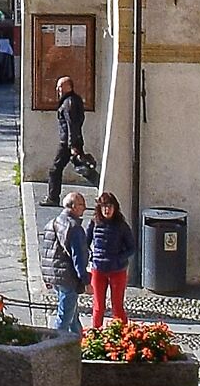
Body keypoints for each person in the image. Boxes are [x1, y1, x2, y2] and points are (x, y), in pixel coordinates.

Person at [39, 189, 90, 332]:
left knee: (72, 317)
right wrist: (86, 281)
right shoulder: (74, 228)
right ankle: (55, 347)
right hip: (68, 277)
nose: (85, 207)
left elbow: (47, 251)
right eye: (81, 204)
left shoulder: (53, 223)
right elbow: (78, 257)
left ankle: (79, 344)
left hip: (56, 276)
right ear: (73, 206)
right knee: (64, 319)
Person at [87, 191, 134, 328]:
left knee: (117, 306)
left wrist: (119, 259)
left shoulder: (121, 226)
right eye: (104, 206)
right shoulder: (94, 223)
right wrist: (91, 256)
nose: (107, 210)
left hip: (117, 270)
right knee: (98, 306)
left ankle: (122, 335)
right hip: (98, 269)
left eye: (110, 206)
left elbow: (131, 247)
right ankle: (95, 334)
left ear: (115, 208)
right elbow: (85, 242)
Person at [43, 75, 87, 205]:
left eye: (60, 86)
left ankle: (52, 198)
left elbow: (71, 124)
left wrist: (72, 145)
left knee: (55, 170)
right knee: (83, 169)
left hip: (67, 143)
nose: (58, 89)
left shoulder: (69, 103)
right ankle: (101, 188)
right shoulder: (72, 100)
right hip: (71, 142)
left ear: (68, 87)